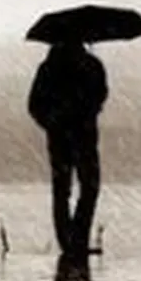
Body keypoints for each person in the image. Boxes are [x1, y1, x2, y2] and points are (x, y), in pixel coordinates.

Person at [28, 41, 108, 256]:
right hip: (81, 137)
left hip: (63, 138)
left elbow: (35, 105)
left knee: (63, 190)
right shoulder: (91, 65)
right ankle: (76, 240)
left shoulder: (49, 68)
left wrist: (52, 122)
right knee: (87, 187)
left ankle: (70, 242)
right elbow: (101, 96)